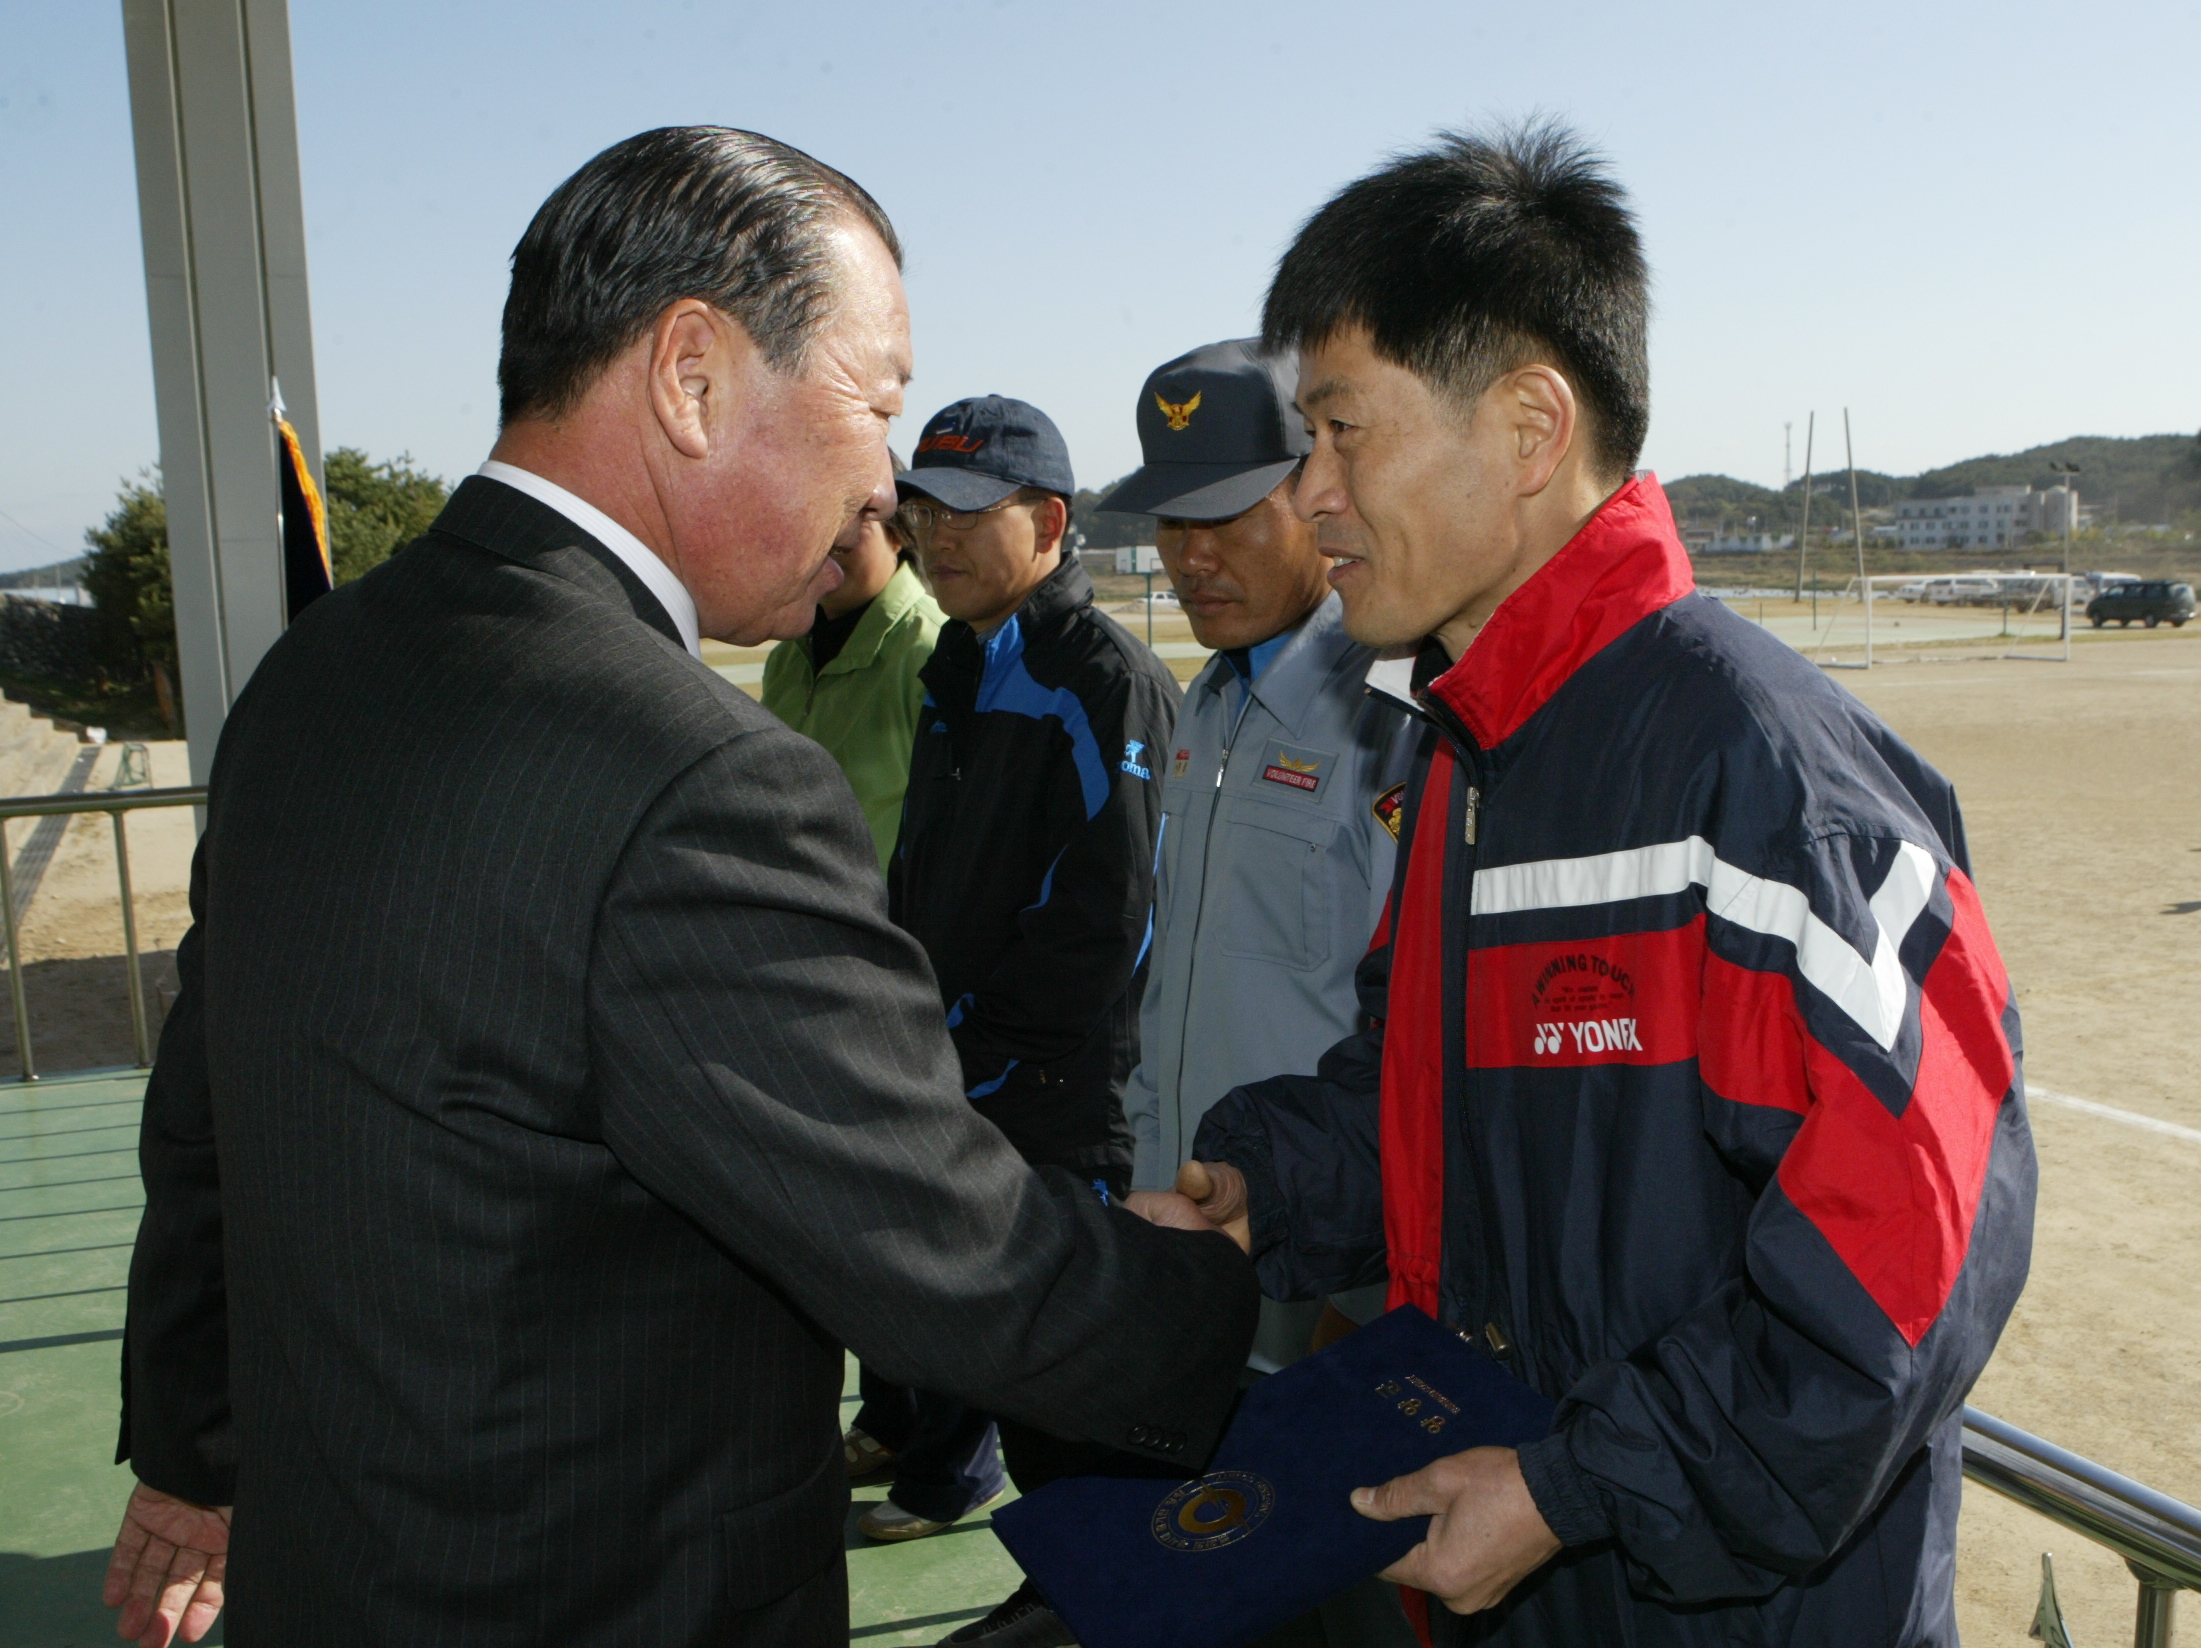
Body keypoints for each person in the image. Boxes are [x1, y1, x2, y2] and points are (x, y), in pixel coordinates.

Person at [107, 128, 1255, 1648]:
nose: (886, 486)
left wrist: (196, 1455)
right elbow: (940, 1251)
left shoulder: (326, 668)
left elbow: (204, 1118)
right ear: (694, 375)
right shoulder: (699, 775)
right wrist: (1217, 1292)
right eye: (879, 402)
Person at [1158, 123, 2035, 1646]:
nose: (1309, 498)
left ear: (1529, 426)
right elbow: (1422, 1102)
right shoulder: (1466, 753)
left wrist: (1578, 1490)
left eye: (1344, 432)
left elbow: (1907, 1265)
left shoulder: (1761, 775)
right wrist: (1267, 1190)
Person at [1106, 337, 1424, 1648]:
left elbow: (1412, 1046)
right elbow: (1172, 966)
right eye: (1173, 522)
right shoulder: (1205, 709)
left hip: (1330, 1300)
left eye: (1229, 511)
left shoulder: (1393, 718)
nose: (1192, 558)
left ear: (1319, 488)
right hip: (1196, 1269)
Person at [856, 399, 1182, 1580]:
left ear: (1049, 522)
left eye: (966, 513)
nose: (934, 538)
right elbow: (924, 869)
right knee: (988, 1350)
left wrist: (975, 1048)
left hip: (1054, 1104)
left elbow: (1106, 916)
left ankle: (1102, 1592)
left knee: (1078, 1405)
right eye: (920, 510)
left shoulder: (1103, 681)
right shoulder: (956, 662)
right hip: (960, 1078)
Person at [759, 471, 945, 870]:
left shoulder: (933, 651)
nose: (830, 542)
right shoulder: (787, 656)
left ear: (899, 534)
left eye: (851, 522)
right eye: (814, 520)